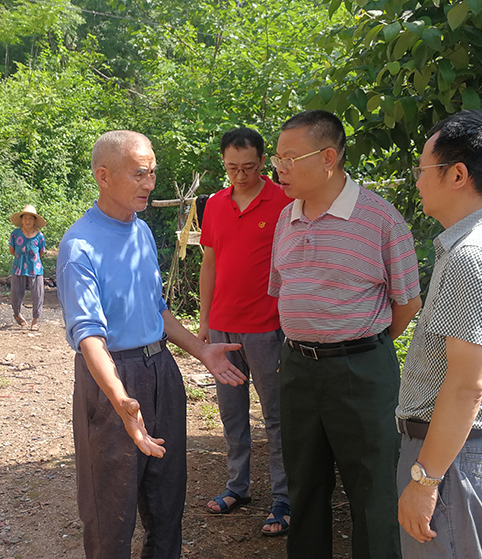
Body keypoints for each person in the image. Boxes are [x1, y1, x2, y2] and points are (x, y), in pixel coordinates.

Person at [56, 130, 246, 559]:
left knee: (166, 501)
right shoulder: (79, 246)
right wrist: (120, 398)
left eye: (153, 173)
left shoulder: (140, 232)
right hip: (112, 379)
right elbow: (89, 337)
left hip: (161, 371)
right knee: (111, 510)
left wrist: (202, 351)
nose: (149, 183)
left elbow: (157, 311)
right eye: (140, 174)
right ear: (103, 176)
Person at [268, 110, 422, 559]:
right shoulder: (285, 219)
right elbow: (284, 291)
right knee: (304, 485)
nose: (279, 167)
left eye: (289, 158)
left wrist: (360, 347)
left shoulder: (380, 220)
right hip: (297, 367)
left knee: (372, 490)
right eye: (277, 157)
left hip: (361, 371)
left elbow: (407, 302)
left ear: (329, 157)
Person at [396, 109, 482, 559]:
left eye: (422, 168)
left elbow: (466, 385)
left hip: (452, 462)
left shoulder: (472, 255)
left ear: (457, 174)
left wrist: (425, 479)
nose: (417, 179)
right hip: (460, 457)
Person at [198, 127, 292, 535]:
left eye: (249, 167)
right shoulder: (215, 205)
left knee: (276, 416)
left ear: (263, 161)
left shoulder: (284, 201)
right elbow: (209, 264)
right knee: (231, 412)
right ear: (224, 163)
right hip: (223, 327)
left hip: (269, 326)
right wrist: (204, 320)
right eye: (232, 168)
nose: (240, 175)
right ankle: (238, 486)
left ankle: (284, 497)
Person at [8, 204, 46, 331]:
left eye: (30, 218)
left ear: (35, 220)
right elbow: (12, 250)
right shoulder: (15, 234)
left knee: (37, 294)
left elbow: (41, 252)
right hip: (18, 267)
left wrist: (31, 260)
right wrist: (22, 259)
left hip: (35, 268)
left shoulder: (39, 236)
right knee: (16, 294)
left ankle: (35, 320)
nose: (28, 221)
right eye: (25, 218)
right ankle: (17, 315)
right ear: (21, 220)